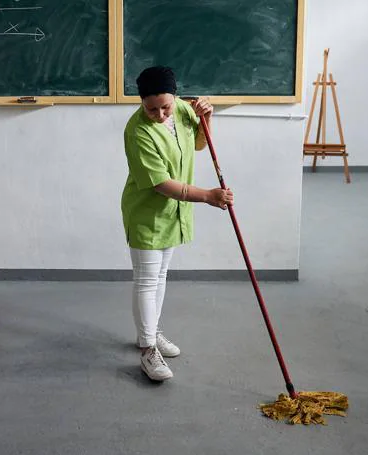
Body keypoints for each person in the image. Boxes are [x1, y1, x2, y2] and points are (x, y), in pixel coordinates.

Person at [121, 66, 234, 381]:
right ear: (142, 102)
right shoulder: (137, 130)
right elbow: (159, 183)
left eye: (164, 107)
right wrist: (207, 196)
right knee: (146, 279)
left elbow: (198, 144)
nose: (159, 114)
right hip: (147, 212)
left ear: (174, 97)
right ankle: (147, 351)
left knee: (160, 276)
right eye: (151, 108)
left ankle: (153, 332)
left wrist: (207, 119)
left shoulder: (183, 109)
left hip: (173, 212)